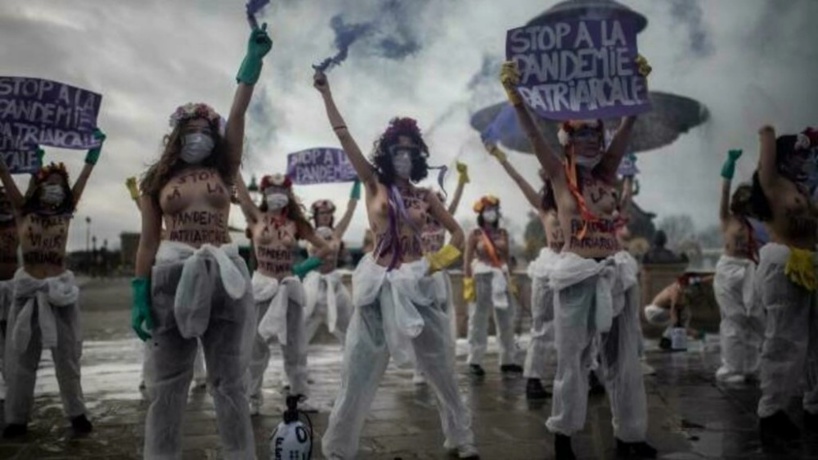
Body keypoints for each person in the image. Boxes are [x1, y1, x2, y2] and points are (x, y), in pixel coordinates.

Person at [314, 70, 478, 459]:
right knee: (357, 373)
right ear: (386, 154)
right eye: (397, 149)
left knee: (442, 370)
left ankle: (461, 439)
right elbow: (343, 136)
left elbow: (459, 235)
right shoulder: (374, 184)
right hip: (376, 287)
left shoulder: (426, 196)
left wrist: (434, 265)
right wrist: (325, 93)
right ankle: (338, 449)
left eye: (410, 150)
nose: (404, 156)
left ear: (419, 157)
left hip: (418, 286)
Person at [501, 60, 656, 459]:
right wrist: (516, 98)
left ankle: (630, 436)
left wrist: (638, 86)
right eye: (581, 133)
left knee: (624, 358)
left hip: (615, 271)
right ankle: (564, 436)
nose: (590, 139)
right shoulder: (559, 175)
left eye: (594, 133)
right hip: (576, 276)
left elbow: (626, 128)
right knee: (573, 359)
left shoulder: (606, 174)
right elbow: (534, 135)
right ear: (568, 141)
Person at [131, 23, 272, 458]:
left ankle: (240, 454)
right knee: (168, 384)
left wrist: (250, 66)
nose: (199, 136)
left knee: (230, 381)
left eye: (205, 130)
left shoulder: (224, 171)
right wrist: (139, 294)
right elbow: (147, 242)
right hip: (171, 276)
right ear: (177, 137)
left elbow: (238, 117)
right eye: (191, 130)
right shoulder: (155, 182)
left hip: (225, 276)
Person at [0, 132, 105, 438]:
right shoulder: (23, 211)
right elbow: (5, 175)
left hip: (61, 292)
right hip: (27, 292)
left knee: (67, 357)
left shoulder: (66, 213)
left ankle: (77, 414)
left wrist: (92, 155)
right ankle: (16, 419)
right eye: (50, 183)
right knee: (21, 358)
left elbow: (83, 180)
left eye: (60, 184)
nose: (55, 188)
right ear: (38, 187)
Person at [234, 172, 331, 415]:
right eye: (271, 191)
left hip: (289, 287)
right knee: (255, 345)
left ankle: (299, 396)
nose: (277, 195)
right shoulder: (256, 218)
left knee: (296, 345)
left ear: (289, 194)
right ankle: (251, 397)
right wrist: (233, 166)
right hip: (262, 288)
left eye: (282, 191)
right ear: (264, 194)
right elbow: (243, 196)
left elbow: (325, 247)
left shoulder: (295, 224)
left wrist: (303, 267)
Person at [749, 126, 818, 446]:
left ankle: (814, 404)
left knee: (815, 340)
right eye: (798, 154)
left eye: (808, 155)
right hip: (783, 265)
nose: (804, 160)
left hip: (810, 263)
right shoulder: (772, 183)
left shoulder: (801, 188)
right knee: (784, 341)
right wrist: (774, 134)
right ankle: (772, 413)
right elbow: (766, 136)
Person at [485, 142, 559, 399]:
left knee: (583, 325)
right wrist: (501, 157)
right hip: (550, 267)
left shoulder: (579, 203)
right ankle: (533, 379)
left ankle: (590, 372)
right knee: (542, 325)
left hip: (575, 265)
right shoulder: (544, 206)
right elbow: (518, 179)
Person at [126, 177, 208, 395]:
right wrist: (136, 196)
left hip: (175, 283)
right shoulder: (161, 235)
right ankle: (150, 377)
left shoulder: (167, 235)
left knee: (186, 332)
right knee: (155, 338)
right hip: (159, 286)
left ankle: (197, 375)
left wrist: (136, 196)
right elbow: (145, 212)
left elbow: (146, 214)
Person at [413, 164, 468, 385]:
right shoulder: (415, 222)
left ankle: (444, 366)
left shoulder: (443, 223)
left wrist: (462, 180)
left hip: (439, 273)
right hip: (419, 273)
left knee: (443, 321)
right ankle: (419, 370)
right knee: (419, 322)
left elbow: (454, 202)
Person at [713, 149, 764, 383]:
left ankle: (752, 366)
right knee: (733, 319)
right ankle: (732, 367)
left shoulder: (755, 224)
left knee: (754, 316)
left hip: (748, 268)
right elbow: (724, 192)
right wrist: (729, 166)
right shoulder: (728, 219)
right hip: (728, 269)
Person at [462, 192, 524, 380]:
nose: (491, 212)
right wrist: (467, 281)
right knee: (478, 319)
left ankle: (508, 360)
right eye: (488, 209)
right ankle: (475, 360)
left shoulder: (503, 233)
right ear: (481, 213)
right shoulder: (475, 234)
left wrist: (511, 277)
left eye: (494, 209)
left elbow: (507, 256)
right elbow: (467, 259)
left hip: (501, 277)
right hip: (481, 276)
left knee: (506, 319)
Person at [302, 181, 361, 349]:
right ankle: (295, 363)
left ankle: (352, 360)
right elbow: (295, 215)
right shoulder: (308, 232)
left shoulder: (337, 233)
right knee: (301, 330)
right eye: (322, 213)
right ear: (316, 215)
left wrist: (356, 187)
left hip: (334, 284)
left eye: (328, 213)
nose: (325, 216)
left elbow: (350, 211)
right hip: (313, 286)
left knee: (349, 328)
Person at [644, 275, 709, 350]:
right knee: (681, 316)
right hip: (654, 312)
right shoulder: (676, 292)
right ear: (681, 285)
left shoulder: (688, 282)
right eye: (684, 287)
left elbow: (703, 280)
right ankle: (667, 341)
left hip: (661, 310)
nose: (686, 290)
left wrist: (715, 276)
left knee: (685, 314)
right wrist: (679, 326)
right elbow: (673, 310)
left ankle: (668, 340)